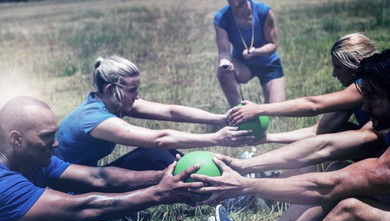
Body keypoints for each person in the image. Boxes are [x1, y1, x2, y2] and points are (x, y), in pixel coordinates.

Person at [192, 49, 390, 221]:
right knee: (340, 168)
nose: (365, 107)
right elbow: (324, 145)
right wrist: (242, 166)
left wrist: (244, 185)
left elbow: (329, 185)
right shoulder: (376, 127)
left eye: (373, 98)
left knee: (350, 211)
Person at [0, 96, 218, 221]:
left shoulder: (32, 161)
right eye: (47, 137)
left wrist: (160, 176)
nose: (55, 144)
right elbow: (81, 208)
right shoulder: (4, 182)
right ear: (16, 139)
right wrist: (159, 194)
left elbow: (100, 178)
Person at [55, 55, 253, 169]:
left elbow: (170, 112)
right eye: (132, 90)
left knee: (158, 155)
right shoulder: (94, 119)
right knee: (157, 152)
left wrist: (220, 119)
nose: (137, 96)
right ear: (110, 89)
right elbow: (159, 138)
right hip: (70, 191)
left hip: (87, 179)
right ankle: (224, 192)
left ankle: (226, 179)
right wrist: (216, 139)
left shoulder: (112, 102)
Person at [228, 32, 378, 144]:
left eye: (338, 67)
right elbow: (316, 131)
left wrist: (259, 109)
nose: (334, 74)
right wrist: (268, 138)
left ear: (359, 62)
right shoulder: (350, 97)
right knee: (336, 130)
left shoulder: (368, 82)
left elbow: (313, 105)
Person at [214, 0, 286, 107]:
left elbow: (273, 45)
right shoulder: (221, 17)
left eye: (240, 2)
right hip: (243, 64)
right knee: (223, 70)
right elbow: (223, 53)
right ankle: (238, 111)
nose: (235, 4)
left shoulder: (264, 11)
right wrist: (225, 63)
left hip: (268, 63)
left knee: (277, 111)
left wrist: (256, 51)